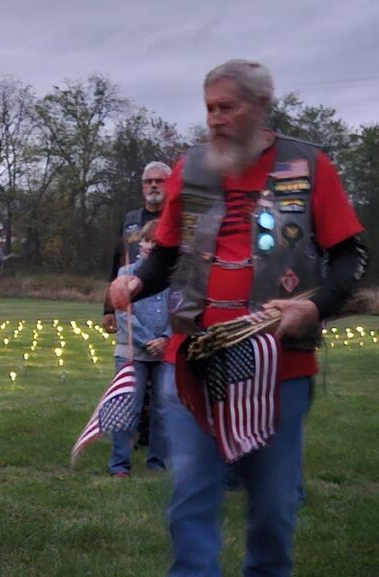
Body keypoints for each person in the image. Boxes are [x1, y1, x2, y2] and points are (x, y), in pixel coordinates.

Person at [109, 59, 367, 577]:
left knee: (272, 508)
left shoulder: (308, 165)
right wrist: (135, 282)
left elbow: (349, 258)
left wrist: (312, 308)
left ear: (261, 106)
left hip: (279, 367)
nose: (216, 119)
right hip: (194, 362)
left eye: (228, 107)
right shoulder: (191, 167)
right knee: (192, 499)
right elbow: (165, 256)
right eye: (209, 108)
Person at [108, 219, 170, 478]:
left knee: (162, 409)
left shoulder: (173, 277)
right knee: (126, 406)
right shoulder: (125, 274)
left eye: (157, 243)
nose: (150, 246)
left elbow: (180, 310)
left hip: (164, 353)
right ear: (140, 244)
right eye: (147, 241)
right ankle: (120, 464)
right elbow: (123, 312)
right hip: (132, 351)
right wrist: (147, 341)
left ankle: (156, 462)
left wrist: (166, 338)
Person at [102, 161, 171, 334]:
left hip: (167, 304)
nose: (153, 185)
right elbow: (116, 264)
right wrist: (109, 309)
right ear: (143, 187)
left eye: (159, 181)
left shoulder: (177, 221)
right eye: (148, 182)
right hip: (133, 304)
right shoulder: (129, 221)